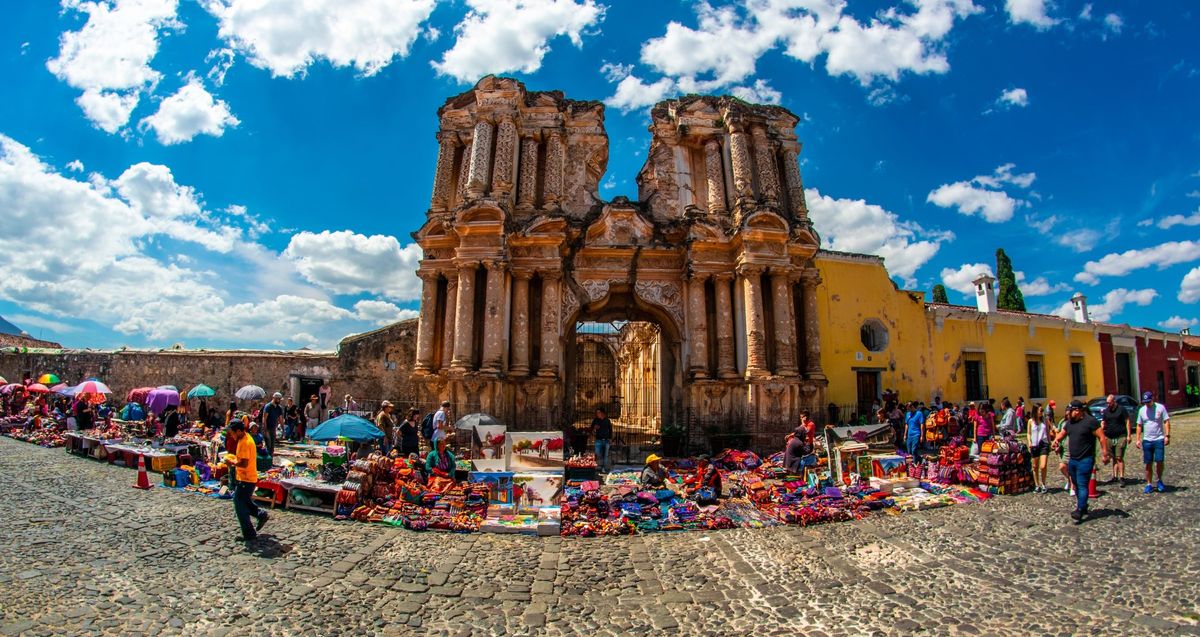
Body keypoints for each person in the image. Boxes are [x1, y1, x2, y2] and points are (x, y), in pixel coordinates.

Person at [1050, 400, 1109, 523]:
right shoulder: (1070, 423)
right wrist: (1056, 441)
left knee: (1082, 484)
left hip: (1085, 459)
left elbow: (1102, 437)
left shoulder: (1090, 422)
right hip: (1073, 459)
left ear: (1077, 411)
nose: (1068, 413)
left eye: (1070, 410)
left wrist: (1105, 453)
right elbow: (1062, 433)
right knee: (1076, 484)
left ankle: (1080, 509)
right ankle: (1083, 505)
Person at [223, 420, 269, 542]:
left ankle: (249, 533)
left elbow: (243, 463)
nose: (231, 436)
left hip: (246, 478)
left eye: (232, 433)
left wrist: (231, 462)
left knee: (239, 505)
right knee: (244, 501)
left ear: (238, 431)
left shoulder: (244, 442)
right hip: (247, 477)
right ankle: (260, 514)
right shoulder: (246, 437)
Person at [1135, 390, 1171, 494]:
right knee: (1148, 463)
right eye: (1145, 402)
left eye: (1148, 401)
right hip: (1147, 440)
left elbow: (1166, 421)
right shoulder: (1142, 410)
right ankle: (1149, 484)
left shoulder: (1160, 408)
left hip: (1159, 439)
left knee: (1159, 461)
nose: (1147, 404)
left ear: (1152, 399)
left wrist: (1167, 435)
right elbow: (1139, 425)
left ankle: (1159, 480)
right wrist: (1137, 439)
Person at [1100, 394, 1131, 487]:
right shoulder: (1106, 411)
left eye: (1109, 403)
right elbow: (1103, 421)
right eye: (1107, 403)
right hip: (1109, 436)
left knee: (1119, 457)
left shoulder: (1121, 409)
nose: (1108, 404)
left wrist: (1129, 435)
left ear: (1114, 401)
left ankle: (1122, 477)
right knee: (1113, 457)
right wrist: (1102, 427)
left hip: (1120, 435)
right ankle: (1114, 476)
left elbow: (1127, 421)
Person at [1027, 404, 1050, 493]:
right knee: (1035, 466)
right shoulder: (1030, 421)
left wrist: (1049, 442)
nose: (1042, 412)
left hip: (1043, 444)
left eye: (1042, 410)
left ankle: (1043, 483)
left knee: (1043, 466)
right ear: (1035, 411)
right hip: (1034, 445)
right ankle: (1037, 485)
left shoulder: (1045, 420)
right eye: (1040, 410)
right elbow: (1028, 433)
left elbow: (1047, 432)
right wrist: (1029, 442)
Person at [591, 407, 613, 472]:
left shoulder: (607, 420)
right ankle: (596, 466)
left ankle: (604, 468)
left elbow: (610, 430)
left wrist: (610, 438)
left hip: (606, 440)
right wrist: (594, 428)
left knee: (605, 455)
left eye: (599, 413)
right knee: (597, 454)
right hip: (598, 440)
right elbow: (591, 428)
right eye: (597, 413)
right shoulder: (595, 420)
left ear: (602, 413)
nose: (597, 414)